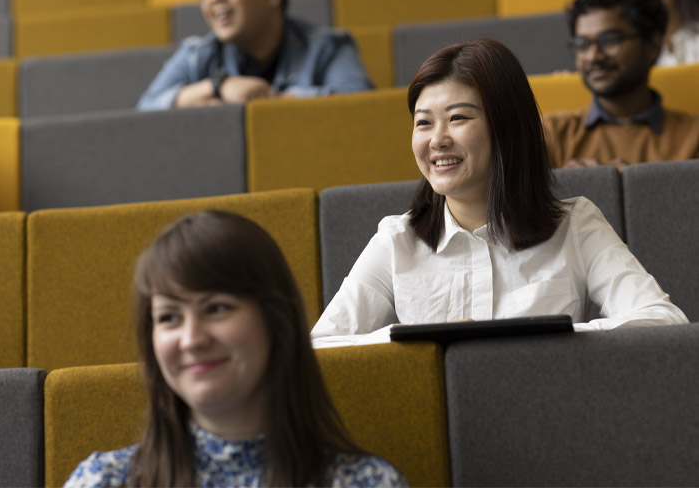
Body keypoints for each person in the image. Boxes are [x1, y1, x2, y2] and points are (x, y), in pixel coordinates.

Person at [311, 38, 688, 348]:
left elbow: (663, 321)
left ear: (506, 128)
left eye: (458, 118)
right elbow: (321, 348)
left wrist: (542, 337)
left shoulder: (575, 224)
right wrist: (415, 342)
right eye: (423, 123)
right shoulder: (397, 240)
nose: (437, 140)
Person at [64, 211, 405, 487]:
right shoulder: (103, 480)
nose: (191, 339)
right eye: (169, 317)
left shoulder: (365, 482)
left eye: (216, 309)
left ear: (276, 322)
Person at [137, 0, 373, 111]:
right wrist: (218, 87)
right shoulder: (196, 54)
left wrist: (268, 99)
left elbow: (361, 103)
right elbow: (145, 110)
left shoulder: (328, 46)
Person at [543, 0, 699, 169]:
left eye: (609, 41)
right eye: (582, 45)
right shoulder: (551, 135)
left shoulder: (693, 138)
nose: (593, 56)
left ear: (653, 45)